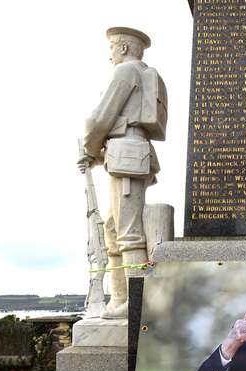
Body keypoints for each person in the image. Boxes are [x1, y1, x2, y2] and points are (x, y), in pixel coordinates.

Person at [77, 27, 165, 319]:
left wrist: (90, 149)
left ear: (125, 48)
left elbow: (100, 117)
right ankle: (119, 299)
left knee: (128, 233)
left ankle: (135, 301)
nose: (110, 54)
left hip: (126, 154)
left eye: (113, 47)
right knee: (113, 228)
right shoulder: (140, 73)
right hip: (125, 153)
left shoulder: (126, 72)